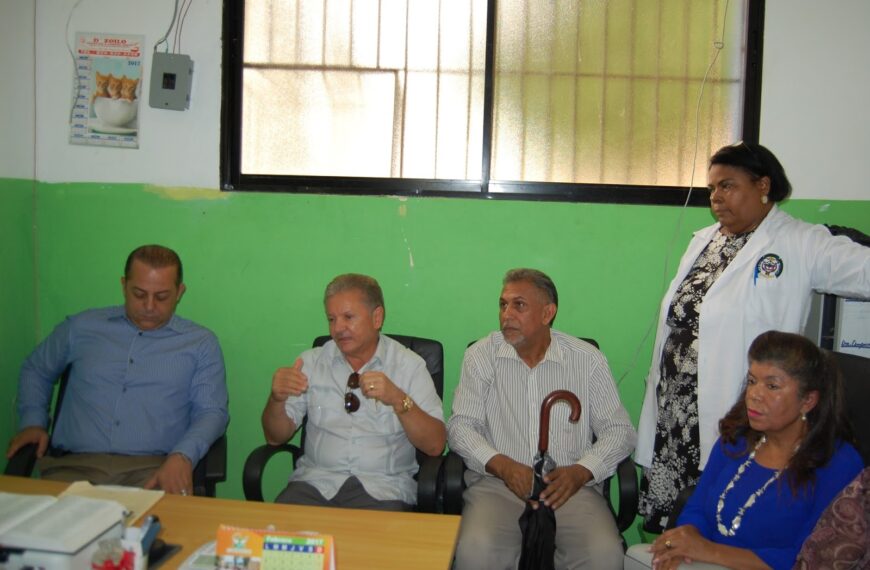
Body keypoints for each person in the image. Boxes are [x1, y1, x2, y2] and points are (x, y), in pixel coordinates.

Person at [637, 142, 870, 531]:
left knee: (726, 522)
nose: (716, 198)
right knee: (676, 527)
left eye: (727, 186)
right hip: (676, 412)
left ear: (763, 185)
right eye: (712, 188)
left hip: (738, 410)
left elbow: (863, 271)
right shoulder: (705, 242)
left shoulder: (801, 241)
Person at [447, 268, 637, 570]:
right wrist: (503, 465)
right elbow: (461, 427)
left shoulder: (586, 360)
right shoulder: (482, 356)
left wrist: (582, 471)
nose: (506, 314)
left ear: (548, 312)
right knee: (475, 551)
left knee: (603, 554)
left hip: (569, 488)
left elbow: (620, 431)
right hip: (499, 486)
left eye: (519, 305)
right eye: (502, 304)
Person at [626, 330, 863, 570]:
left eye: (772, 386)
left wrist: (708, 551)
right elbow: (697, 508)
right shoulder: (736, 438)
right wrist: (685, 539)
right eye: (752, 381)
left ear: (808, 401)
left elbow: (808, 557)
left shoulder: (838, 464)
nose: (754, 395)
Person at [5, 244, 229, 495]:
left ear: (179, 292)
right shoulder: (80, 328)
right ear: (124, 285)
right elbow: (37, 369)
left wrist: (183, 456)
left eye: (162, 296)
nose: (149, 306)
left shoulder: (200, 343)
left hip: (153, 471)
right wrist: (32, 422)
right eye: (139, 294)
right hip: (72, 470)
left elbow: (212, 411)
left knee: (153, 533)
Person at [261, 273, 446, 511]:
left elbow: (435, 445)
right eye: (331, 319)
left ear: (376, 317)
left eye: (348, 317)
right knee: (279, 543)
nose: (338, 328)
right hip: (313, 486)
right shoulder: (311, 363)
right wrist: (276, 399)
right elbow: (275, 437)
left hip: (383, 491)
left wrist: (399, 400)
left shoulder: (409, 366)